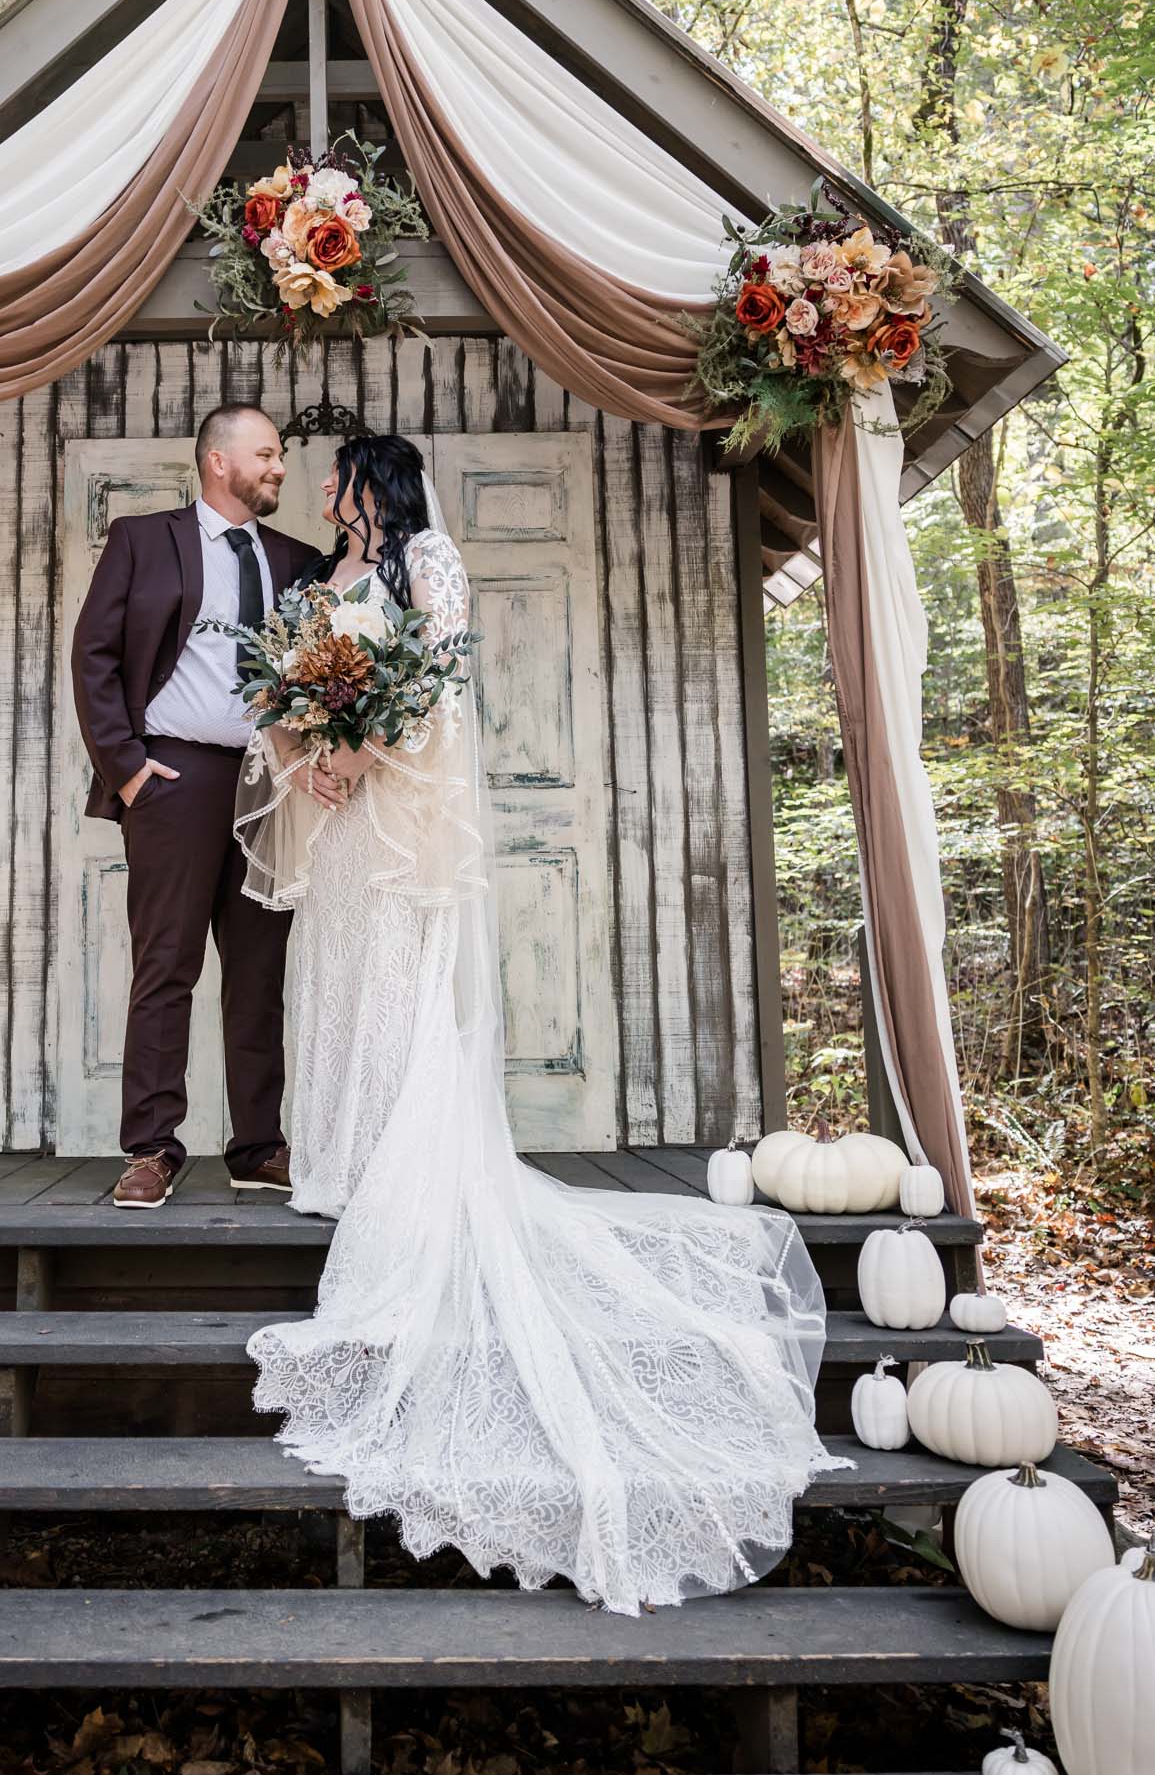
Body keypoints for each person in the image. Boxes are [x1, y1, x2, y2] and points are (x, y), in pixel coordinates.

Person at [233, 431, 849, 1613]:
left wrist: (358, 756)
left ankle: (389, 1162)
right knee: (334, 978)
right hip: (341, 824)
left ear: (378, 483)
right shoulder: (324, 583)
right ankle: (336, 1154)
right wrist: (306, 749)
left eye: (337, 477)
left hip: (399, 816)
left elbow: (440, 697)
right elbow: (290, 691)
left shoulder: (429, 563)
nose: (320, 491)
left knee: (394, 983)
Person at [71, 403, 314, 1207]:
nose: (279, 468)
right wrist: (129, 768)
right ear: (220, 460)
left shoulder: (299, 562)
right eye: (268, 454)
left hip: (264, 784)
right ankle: (150, 1148)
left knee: (257, 973)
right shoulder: (144, 541)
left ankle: (256, 1145)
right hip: (172, 780)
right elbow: (94, 656)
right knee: (165, 966)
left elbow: (320, 676)